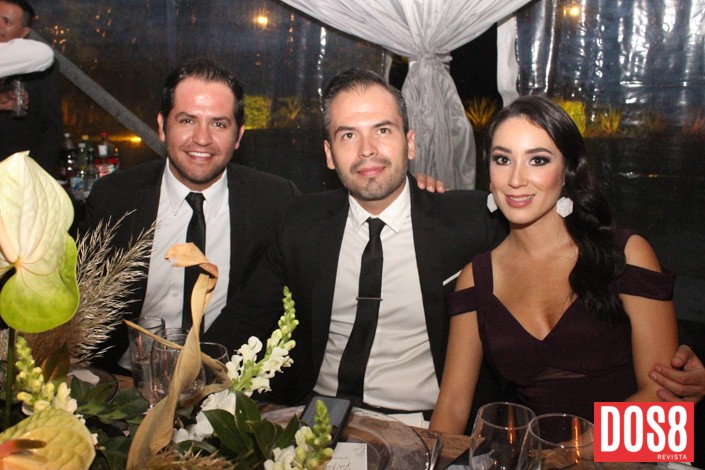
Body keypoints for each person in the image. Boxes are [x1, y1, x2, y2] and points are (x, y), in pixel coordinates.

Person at [207, 68, 507, 415]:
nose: (367, 150)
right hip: (316, 416)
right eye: (348, 135)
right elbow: (243, 321)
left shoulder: (471, 221)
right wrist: (180, 385)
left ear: (409, 143)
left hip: (425, 422)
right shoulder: (302, 223)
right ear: (329, 153)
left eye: (382, 130)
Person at [430, 95, 679, 433]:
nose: (516, 179)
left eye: (538, 160)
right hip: (529, 455)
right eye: (503, 159)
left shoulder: (627, 254)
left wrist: (572, 453)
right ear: (489, 174)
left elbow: (665, 399)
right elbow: (452, 405)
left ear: (567, 173)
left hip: (631, 451)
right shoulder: (477, 277)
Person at [83, 58, 300, 373]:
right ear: (162, 126)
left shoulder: (274, 201)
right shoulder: (114, 198)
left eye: (219, 124)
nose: (202, 138)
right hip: (124, 379)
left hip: (227, 380)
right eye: (187, 120)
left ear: (238, 135)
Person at [0, 0, 62, 174]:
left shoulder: (39, 63)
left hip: (19, 168)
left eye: (6, 21)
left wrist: (38, 173)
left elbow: (52, 127)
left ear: (24, 32)